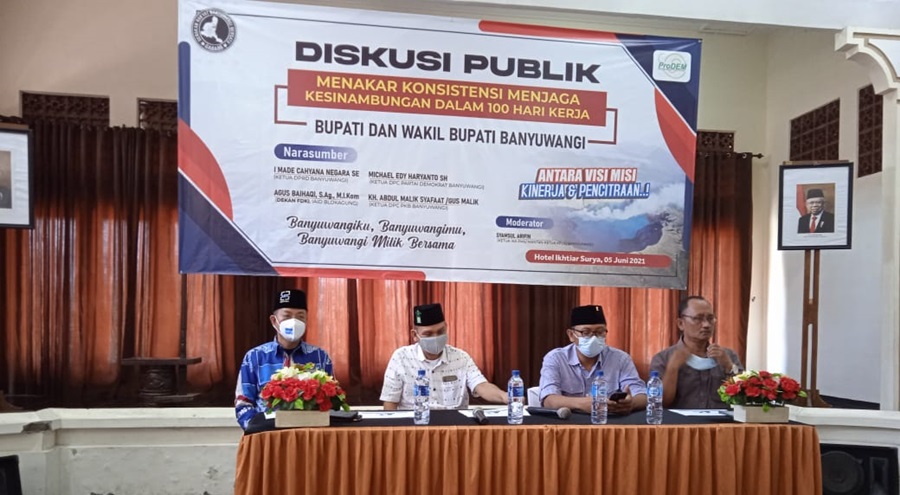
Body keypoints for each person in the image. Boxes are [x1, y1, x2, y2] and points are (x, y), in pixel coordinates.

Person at [234, 289, 334, 430]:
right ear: (274, 321)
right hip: (266, 433)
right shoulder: (255, 357)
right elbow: (243, 403)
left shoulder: (320, 357)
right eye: (287, 316)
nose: (294, 322)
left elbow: (331, 400)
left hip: (310, 433)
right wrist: (256, 429)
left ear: (306, 320)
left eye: (300, 316)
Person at [380, 303, 508, 410]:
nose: (435, 337)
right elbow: (390, 401)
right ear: (415, 335)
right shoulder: (401, 358)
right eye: (428, 334)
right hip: (415, 424)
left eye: (440, 331)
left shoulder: (461, 357)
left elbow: (481, 386)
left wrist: (504, 397)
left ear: (446, 328)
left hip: (454, 425)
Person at [538, 304, 647, 414]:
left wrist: (631, 403)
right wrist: (582, 404)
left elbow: (642, 395)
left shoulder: (620, 359)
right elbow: (548, 400)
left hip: (607, 421)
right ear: (571, 335)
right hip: (569, 422)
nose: (594, 338)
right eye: (586, 333)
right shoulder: (556, 359)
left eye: (600, 332)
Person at [649, 296, 743, 409]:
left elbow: (744, 398)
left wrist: (729, 366)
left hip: (722, 420)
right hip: (679, 420)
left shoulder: (728, 356)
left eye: (710, 318)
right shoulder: (663, 358)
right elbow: (660, 403)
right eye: (698, 318)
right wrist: (672, 369)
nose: (706, 325)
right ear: (681, 323)